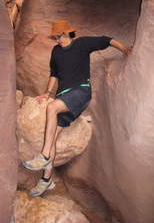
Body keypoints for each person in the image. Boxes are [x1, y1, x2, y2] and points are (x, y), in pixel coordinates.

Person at [22, 20, 132, 197]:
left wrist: (125, 49)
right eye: (55, 37)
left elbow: (107, 39)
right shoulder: (56, 51)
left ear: (68, 33)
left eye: (60, 36)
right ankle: (46, 180)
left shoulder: (82, 43)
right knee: (53, 137)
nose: (58, 40)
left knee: (52, 108)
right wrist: (47, 92)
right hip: (63, 96)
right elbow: (54, 74)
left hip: (81, 91)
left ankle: (43, 157)